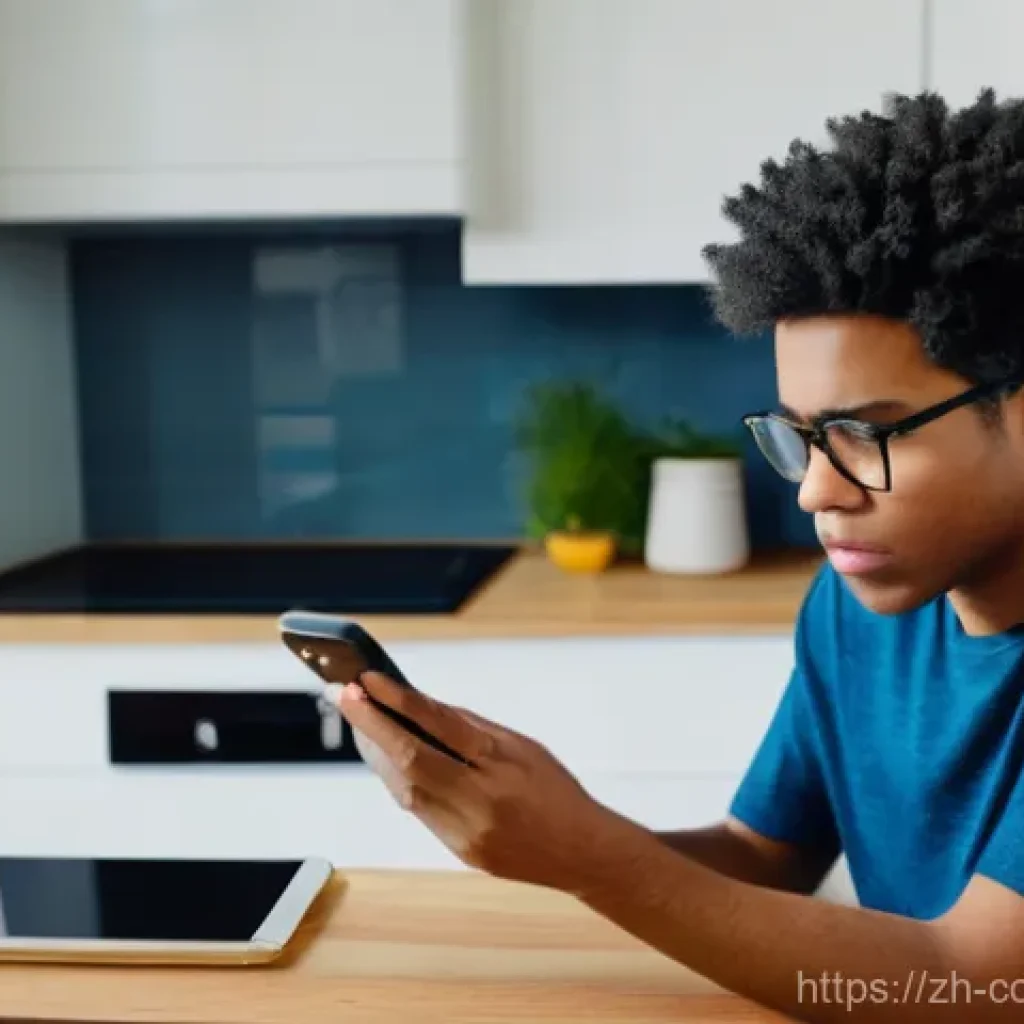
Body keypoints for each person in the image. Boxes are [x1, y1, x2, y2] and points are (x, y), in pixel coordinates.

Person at [334, 89, 1024, 1021]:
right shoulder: (855, 608)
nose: (816, 491)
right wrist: (549, 829)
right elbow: (758, 857)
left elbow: (981, 982)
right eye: (801, 436)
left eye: (865, 434)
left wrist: (592, 857)